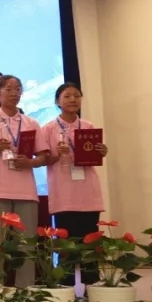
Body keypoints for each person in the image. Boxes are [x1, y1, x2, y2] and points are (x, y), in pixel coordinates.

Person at [0, 74, 48, 288]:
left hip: (26, 191)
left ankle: (25, 289)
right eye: (8, 89)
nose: (14, 93)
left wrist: (30, 162)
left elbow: (43, 156)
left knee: (26, 245)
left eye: (17, 89)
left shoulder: (31, 123)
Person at [42, 82, 107, 285]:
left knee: (90, 245)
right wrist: (56, 154)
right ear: (57, 101)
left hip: (88, 193)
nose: (72, 99)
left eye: (76, 96)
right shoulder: (48, 128)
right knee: (66, 247)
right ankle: (67, 288)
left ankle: (92, 287)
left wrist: (102, 151)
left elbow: (95, 156)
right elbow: (43, 159)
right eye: (67, 96)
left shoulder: (88, 126)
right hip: (64, 194)